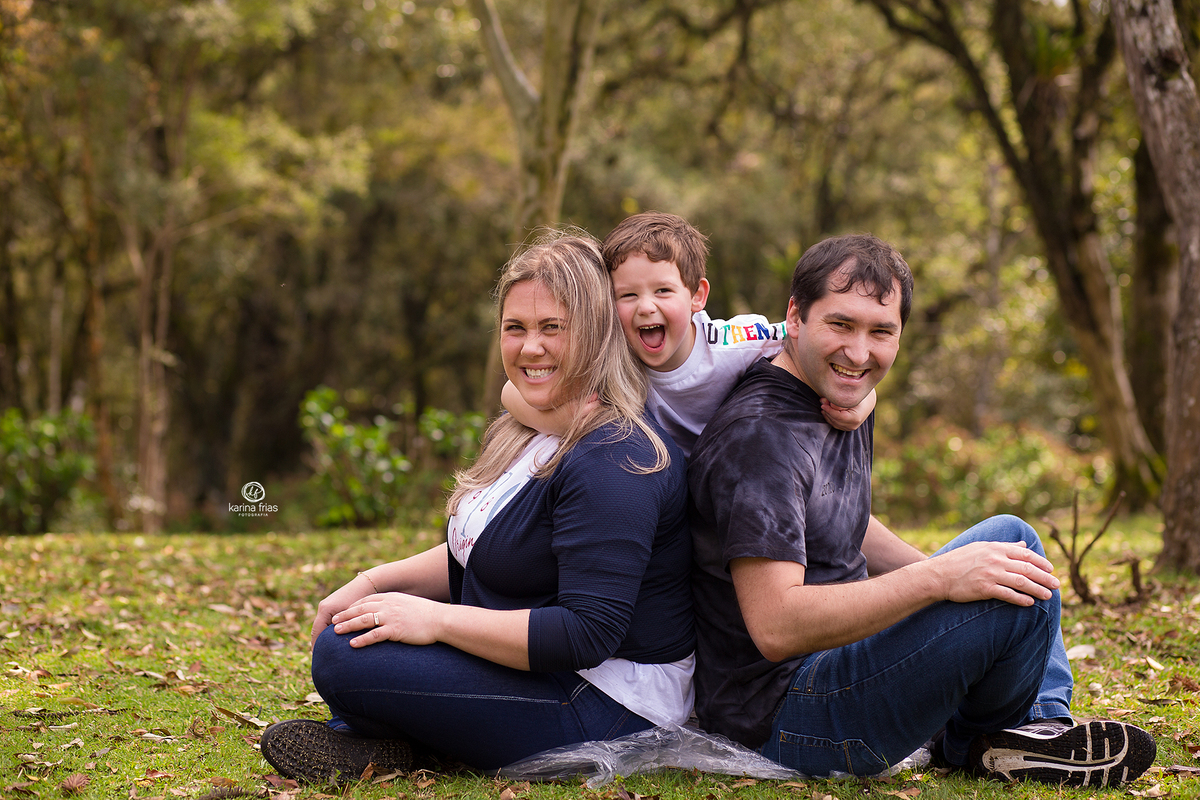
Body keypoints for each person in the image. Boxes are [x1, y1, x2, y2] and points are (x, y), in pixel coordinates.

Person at [687, 233, 1156, 788]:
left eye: (880, 332)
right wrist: (938, 578)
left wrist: (961, 573)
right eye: (841, 324)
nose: (859, 353)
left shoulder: (838, 398)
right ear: (795, 315)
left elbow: (842, 520)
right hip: (786, 716)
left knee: (1010, 545)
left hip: (841, 664)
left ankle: (1033, 734)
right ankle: (990, 740)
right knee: (1010, 594)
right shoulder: (762, 437)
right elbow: (776, 626)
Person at [260, 231, 695, 782]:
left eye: (552, 328)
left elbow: (588, 632)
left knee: (348, 657)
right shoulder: (531, 427)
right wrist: (373, 582)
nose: (529, 348)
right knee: (354, 630)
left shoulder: (616, 457)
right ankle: (389, 744)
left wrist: (435, 619)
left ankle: (390, 740)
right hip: (549, 674)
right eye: (515, 328)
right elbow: (487, 554)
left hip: (608, 706)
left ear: (596, 331)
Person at [502, 211, 876, 451]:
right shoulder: (614, 355)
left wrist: (863, 402)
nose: (646, 306)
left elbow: (821, 344)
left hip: (737, 471)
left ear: (697, 295)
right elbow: (510, 392)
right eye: (627, 295)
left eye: (663, 291)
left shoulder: (735, 341)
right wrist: (562, 421)